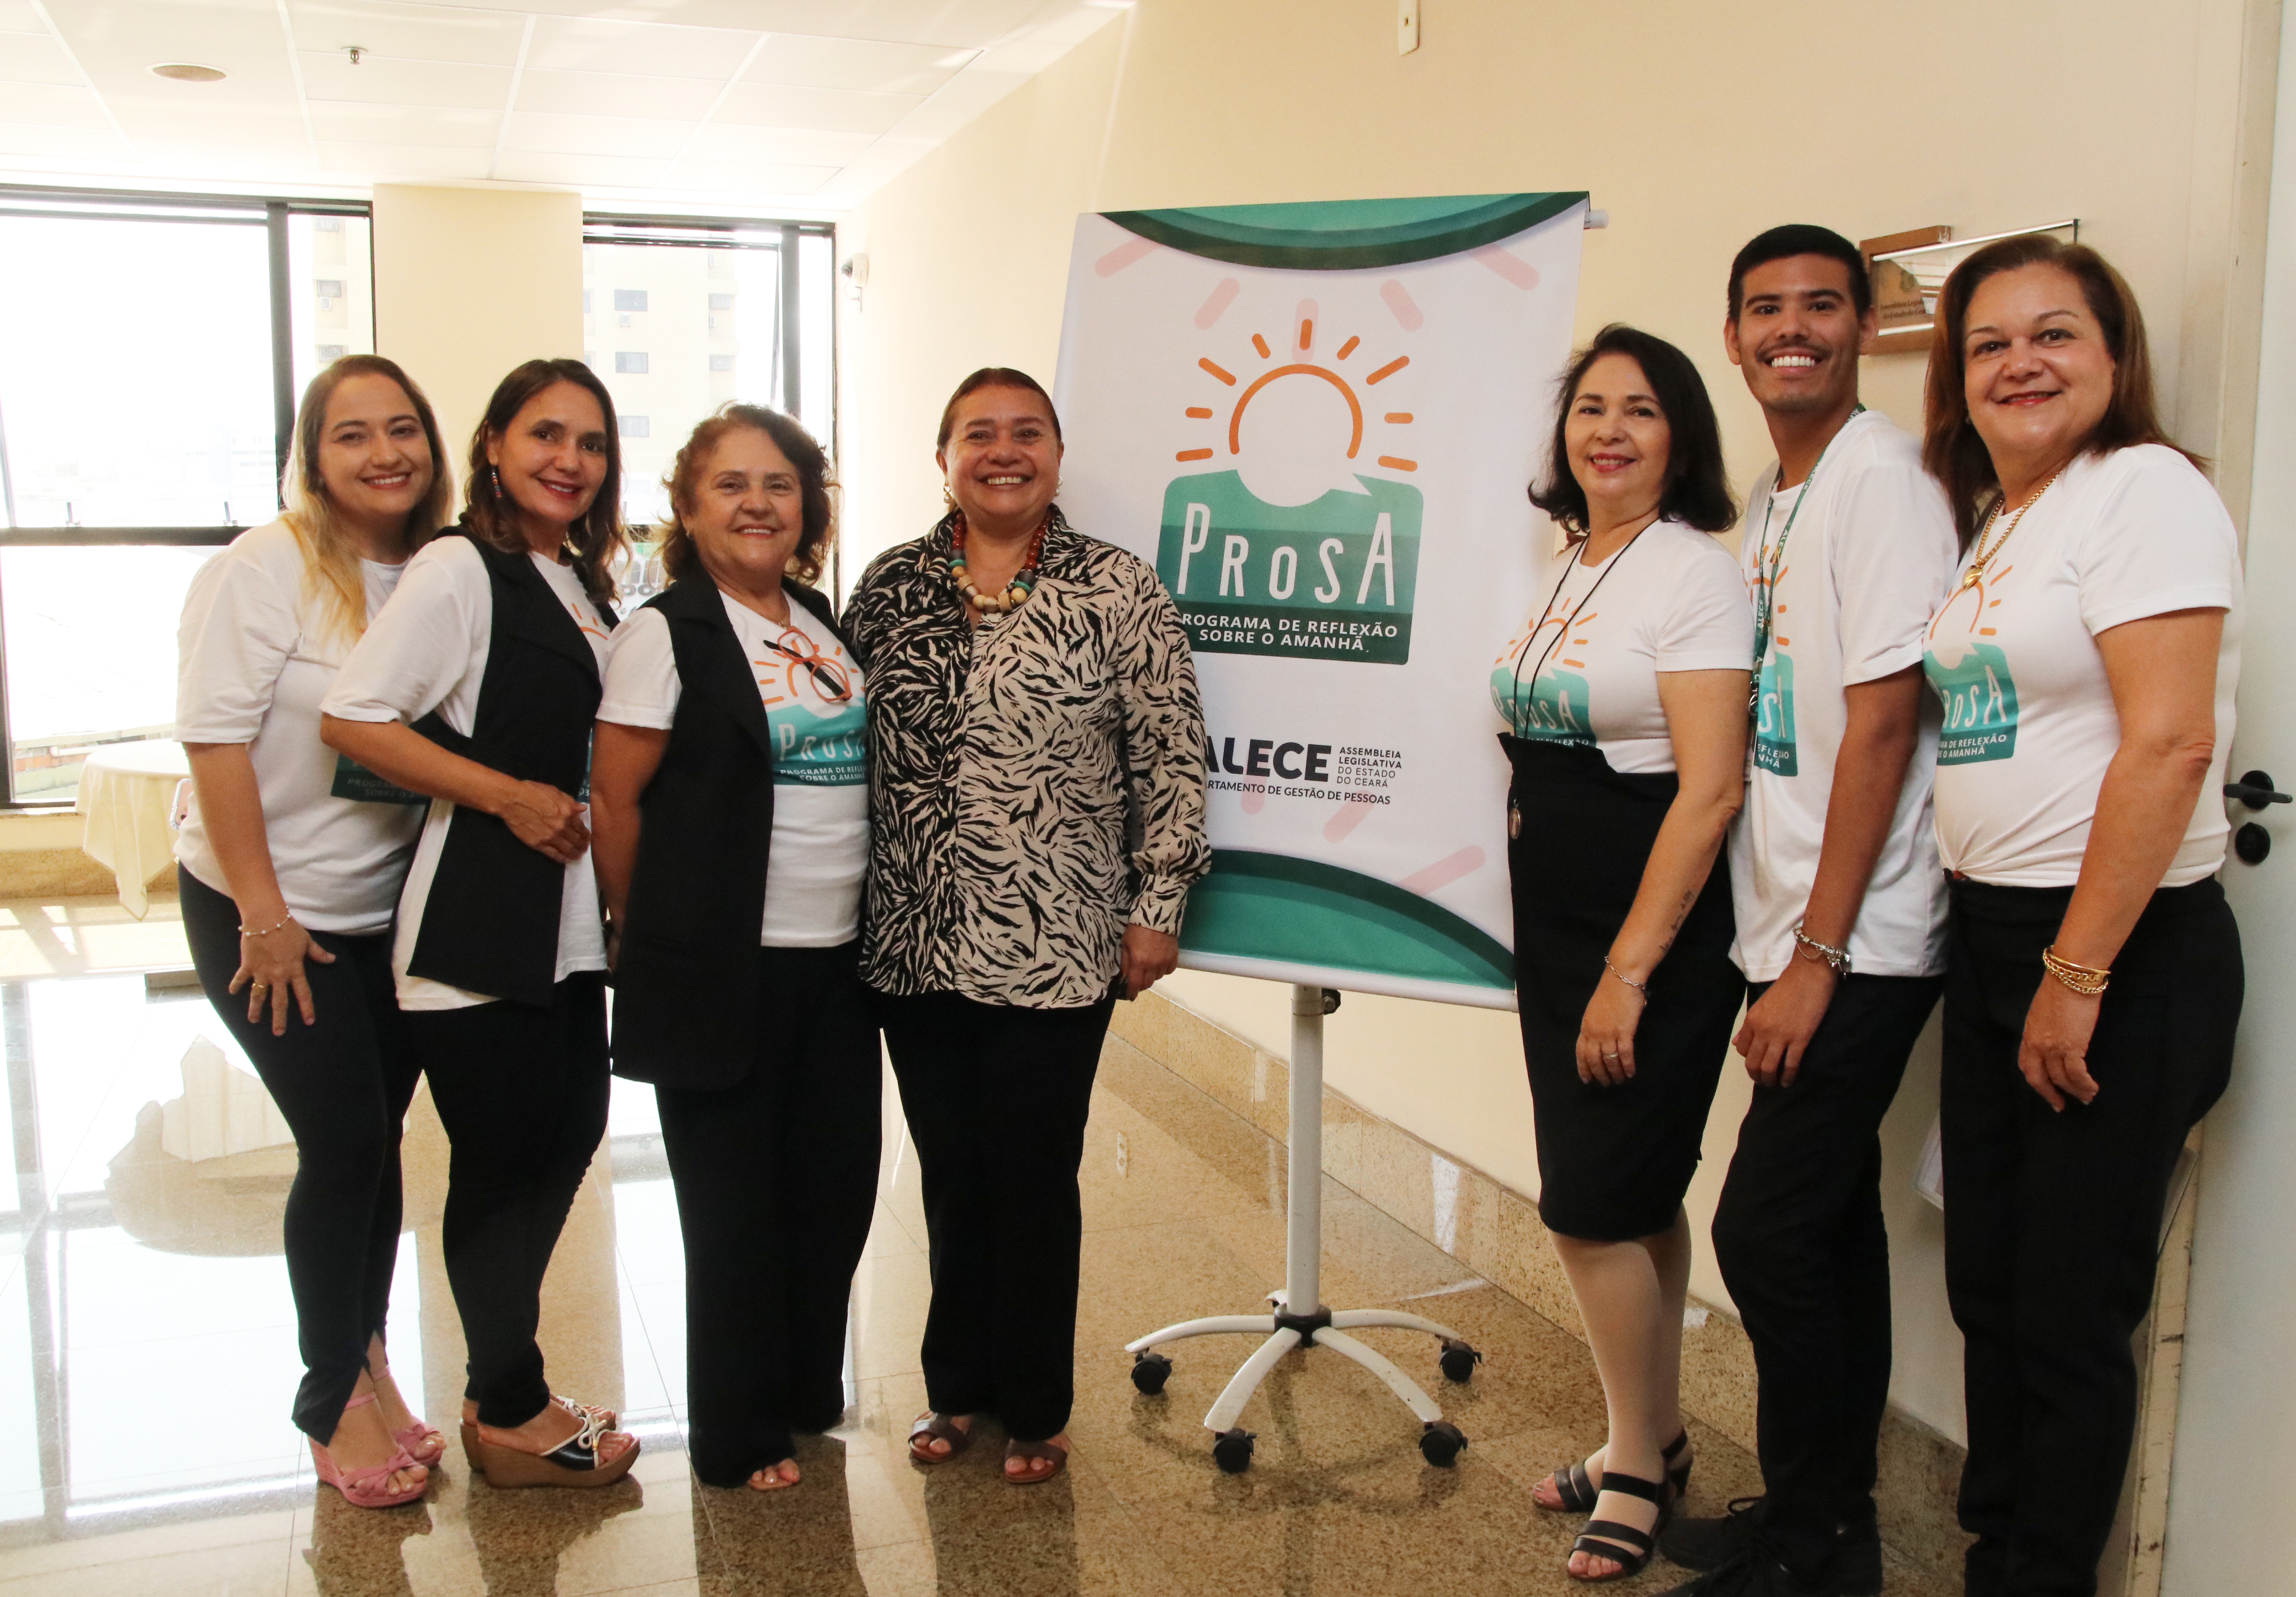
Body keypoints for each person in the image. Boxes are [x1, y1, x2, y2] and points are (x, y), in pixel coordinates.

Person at [1917, 236, 2241, 1597]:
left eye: (2055, 334)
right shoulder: (2004, 518)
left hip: (2117, 951)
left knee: (2065, 1310)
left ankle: (2041, 1578)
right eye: (1989, 343)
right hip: (2003, 941)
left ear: (2115, 358)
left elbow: (2169, 744)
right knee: (1990, 1285)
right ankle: (1997, 1553)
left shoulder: (2143, 489)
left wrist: (2078, 969)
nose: (2021, 364)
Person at [1659, 228, 1959, 1597]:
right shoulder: (1783, 493)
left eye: (1823, 305)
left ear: (1866, 325)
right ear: (1732, 338)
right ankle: (1823, 1526)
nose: (1795, 327)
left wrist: (1818, 957)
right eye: (1767, 308)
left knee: (1765, 1232)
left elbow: (1886, 724)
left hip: (1864, 934)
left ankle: (1816, 1537)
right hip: (1794, 927)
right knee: (1828, 1227)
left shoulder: (1880, 480)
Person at [847, 367, 1210, 1486]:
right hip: (911, 938)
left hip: (1057, 940)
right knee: (951, 1172)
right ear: (944, 457)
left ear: (1056, 453)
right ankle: (957, 1387)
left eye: (1027, 433)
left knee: (1034, 1172)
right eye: (979, 434)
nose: (1003, 452)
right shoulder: (891, 585)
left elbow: (1171, 756)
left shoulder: (1117, 589)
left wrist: (1157, 908)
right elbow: (837, 743)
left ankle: (1036, 1405)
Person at [320, 357, 639, 1489]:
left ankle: (503, 1379)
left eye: (592, 444)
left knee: (568, 1138)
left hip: (566, 930)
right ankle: (506, 1410)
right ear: (494, 444)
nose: (570, 460)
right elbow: (355, 716)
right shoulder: (461, 567)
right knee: (505, 1169)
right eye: (546, 435)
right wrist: (505, 794)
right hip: (477, 926)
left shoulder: (581, 582)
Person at [1493, 325, 1752, 1582]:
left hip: (1651, 938)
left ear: (1680, 437)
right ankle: (1654, 1433)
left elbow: (1710, 790)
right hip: (1558, 932)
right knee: (1636, 1198)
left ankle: (1638, 1470)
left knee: (1588, 1207)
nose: (1609, 430)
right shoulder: (1570, 565)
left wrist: (1628, 972)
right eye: (1591, 407)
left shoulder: (1695, 574)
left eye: (1640, 410)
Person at [175, 355, 454, 1509]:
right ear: (313, 454)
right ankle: (330, 1394)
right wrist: (266, 914)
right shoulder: (267, 566)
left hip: (388, 910)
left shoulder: (441, 569)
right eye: (353, 434)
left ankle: (368, 1353)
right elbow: (214, 742)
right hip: (267, 909)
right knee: (341, 1145)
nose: (385, 453)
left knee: (377, 1147)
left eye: (403, 429)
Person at [590, 404, 879, 1494]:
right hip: (725, 964)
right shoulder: (664, 633)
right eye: (731, 485)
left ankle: (804, 1389)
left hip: (838, 958)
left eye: (780, 485)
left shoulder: (816, 619)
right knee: (734, 1210)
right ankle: (736, 1432)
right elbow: (616, 801)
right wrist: (643, 931)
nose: (758, 504)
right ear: (687, 504)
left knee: (834, 1192)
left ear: (807, 506)